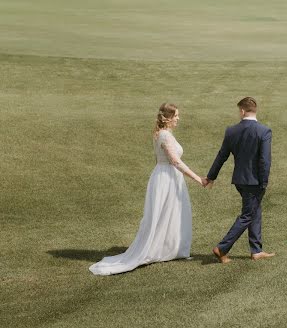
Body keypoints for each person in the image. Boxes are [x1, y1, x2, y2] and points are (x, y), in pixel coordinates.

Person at [89, 103, 204, 275]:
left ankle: (170, 249)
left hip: (168, 177)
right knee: (162, 214)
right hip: (166, 178)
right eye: (176, 116)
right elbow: (175, 161)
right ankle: (159, 249)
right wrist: (198, 178)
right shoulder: (164, 135)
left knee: (172, 213)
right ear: (168, 118)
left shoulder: (164, 133)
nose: (178, 118)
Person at [203, 97, 275, 264]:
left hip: (239, 180)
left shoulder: (231, 131)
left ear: (242, 111)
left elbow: (222, 156)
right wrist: (264, 182)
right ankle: (222, 248)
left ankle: (256, 250)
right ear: (254, 110)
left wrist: (211, 176)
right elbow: (265, 160)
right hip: (255, 181)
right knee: (248, 214)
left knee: (254, 210)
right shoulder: (264, 131)